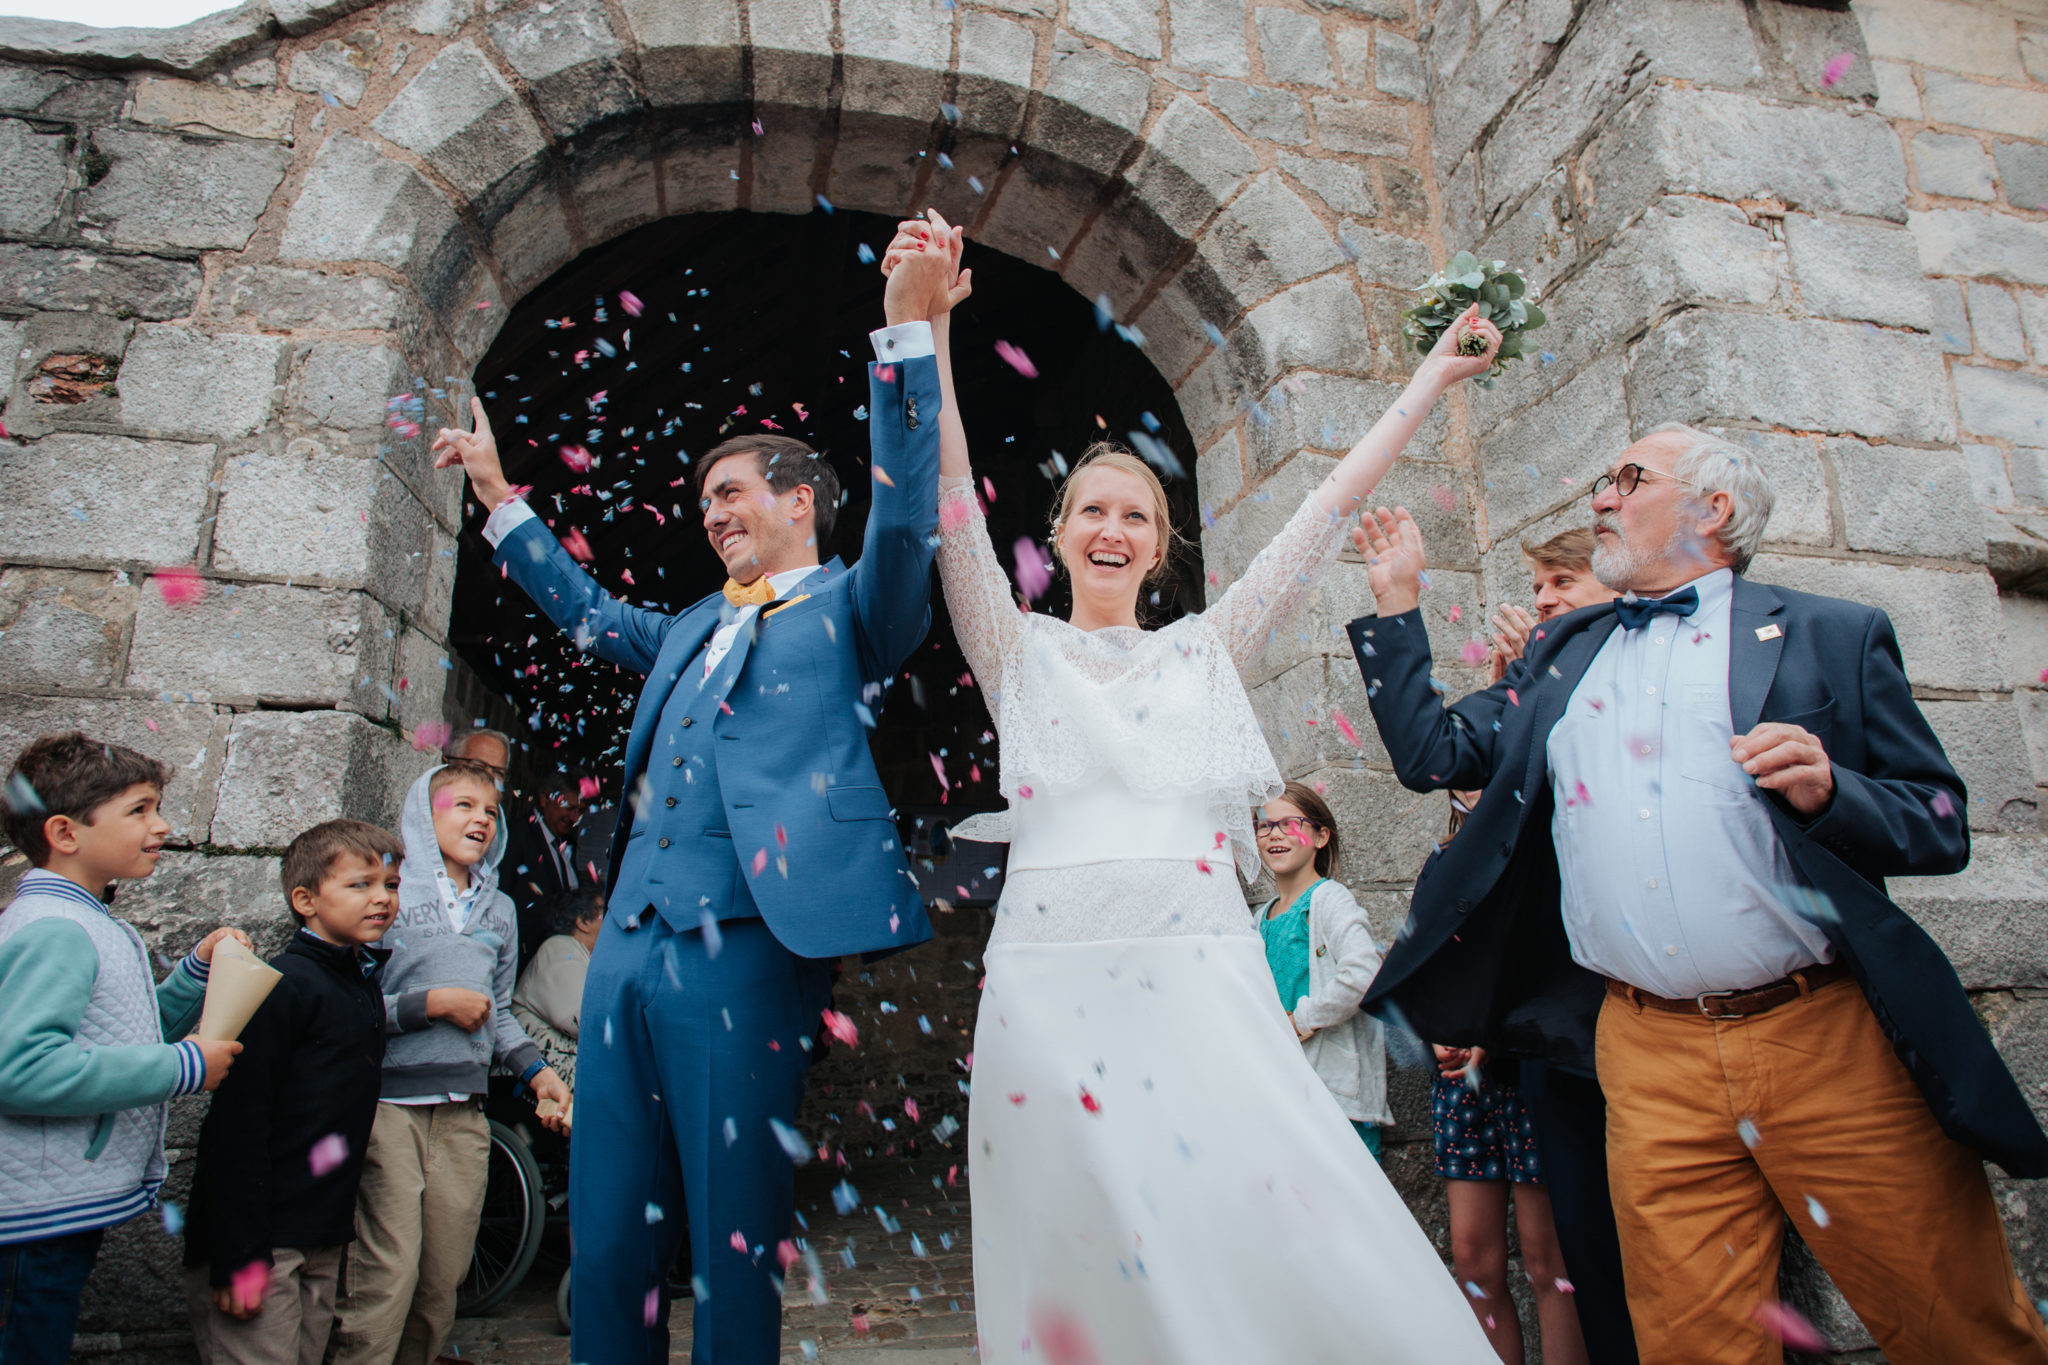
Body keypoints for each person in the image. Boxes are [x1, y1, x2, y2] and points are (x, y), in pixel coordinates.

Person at [882, 214, 1502, 1362]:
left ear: (1159, 547)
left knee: (1247, 1209)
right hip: (1049, 984)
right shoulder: (1013, 648)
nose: (1112, 529)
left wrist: (1428, 377)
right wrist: (923, 330)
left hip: (1195, 972)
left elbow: (1320, 517)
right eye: (1092, 512)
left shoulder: (1205, 650)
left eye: (1135, 516)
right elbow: (952, 494)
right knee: (1074, 1230)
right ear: (1057, 536)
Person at [1349, 424, 2048, 1365]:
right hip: (1645, 1050)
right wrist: (1396, 603)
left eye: (1626, 478)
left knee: (1955, 1321)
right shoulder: (1563, 652)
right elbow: (1436, 754)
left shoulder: (1830, 634)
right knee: (1692, 1343)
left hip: (1820, 1035)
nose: (1600, 497)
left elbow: (1940, 821)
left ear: (1713, 509)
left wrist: (1838, 790)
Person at [430, 231, 953, 1365]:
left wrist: (910, 334)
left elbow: (911, 513)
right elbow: (577, 608)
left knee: (728, 1229)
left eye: (729, 493)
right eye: (703, 500)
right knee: (611, 1227)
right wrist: (496, 495)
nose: (710, 513)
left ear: (801, 499)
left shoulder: (859, 606)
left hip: (748, 943)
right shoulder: (685, 627)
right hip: (626, 940)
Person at [1424, 522, 1627, 1365]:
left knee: (1556, 1256)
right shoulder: (1509, 719)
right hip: (1467, 1068)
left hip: (1545, 1042)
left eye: (1561, 582)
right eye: (1536, 585)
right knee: (1474, 1256)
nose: (1541, 598)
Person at [0, 733, 245, 1365]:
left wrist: (192, 975)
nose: (161, 826)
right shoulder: (58, 930)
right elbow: (22, 1069)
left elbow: (118, 1034)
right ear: (65, 832)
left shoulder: (88, 922)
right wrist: (185, 1066)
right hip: (31, 1221)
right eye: (139, 810)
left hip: (52, 1210)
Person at [329, 759, 567, 1365]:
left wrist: (541, 1074)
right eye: (461, 805)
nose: (480, 819)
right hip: (389, 1108)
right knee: (386, 1270)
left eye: (490, 810)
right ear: (421, 813)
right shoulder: (386, 894)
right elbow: (343, 1004)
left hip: (464, 1113)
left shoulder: (501, 912)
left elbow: (501, 1010)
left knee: (443, 1275)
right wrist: (427, 1005)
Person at [182, 819, 403, 1365]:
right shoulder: (281, 985)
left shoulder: (359, 984)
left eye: (391, 886)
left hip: (319, 1230)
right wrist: (238, 1255)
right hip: (262, 1239)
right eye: (360, 885)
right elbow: (237, 1123)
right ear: (305, 898)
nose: (381, 899)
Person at [1248, 781, 1391, 1157]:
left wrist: (1301, 1020)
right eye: (1264, 825)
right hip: (1280, 1094)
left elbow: (1364, 976)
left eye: (1290, 824)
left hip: (1333, 1098)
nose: (1275, 834)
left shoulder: (1329, 899)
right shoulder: (1259, 918)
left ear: (1321, 835)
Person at [509, 889, 601, 1089]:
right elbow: (582, 1019)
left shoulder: (581, 955)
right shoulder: (560, 947)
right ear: (583, 922)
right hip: (532, 1081)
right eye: (605, 913)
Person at [501, 771, 585, 970]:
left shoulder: (568, 844)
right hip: (522, 961)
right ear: (545, 799)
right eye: (569, 807)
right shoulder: (517, 837)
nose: (574, 817)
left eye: (580, 810)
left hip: (555, 963)